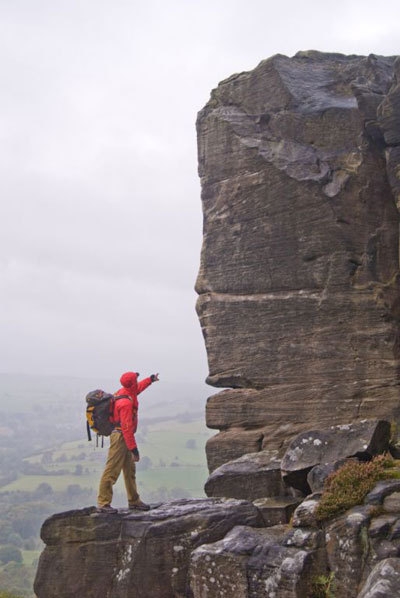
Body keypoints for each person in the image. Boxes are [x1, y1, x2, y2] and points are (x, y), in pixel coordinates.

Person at [96, 370, 159, 513]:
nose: (138, 381)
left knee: (130, 471)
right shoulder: (125, 404)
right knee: (111, 470)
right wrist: (134, 450)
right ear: (131, 384)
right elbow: (126, 429)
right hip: (120, 438)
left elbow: (138, 388)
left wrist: (150, 379)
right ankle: (103, 503)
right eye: (136, 379)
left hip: (122, 436)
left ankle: (134, 501)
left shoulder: (124, 391)